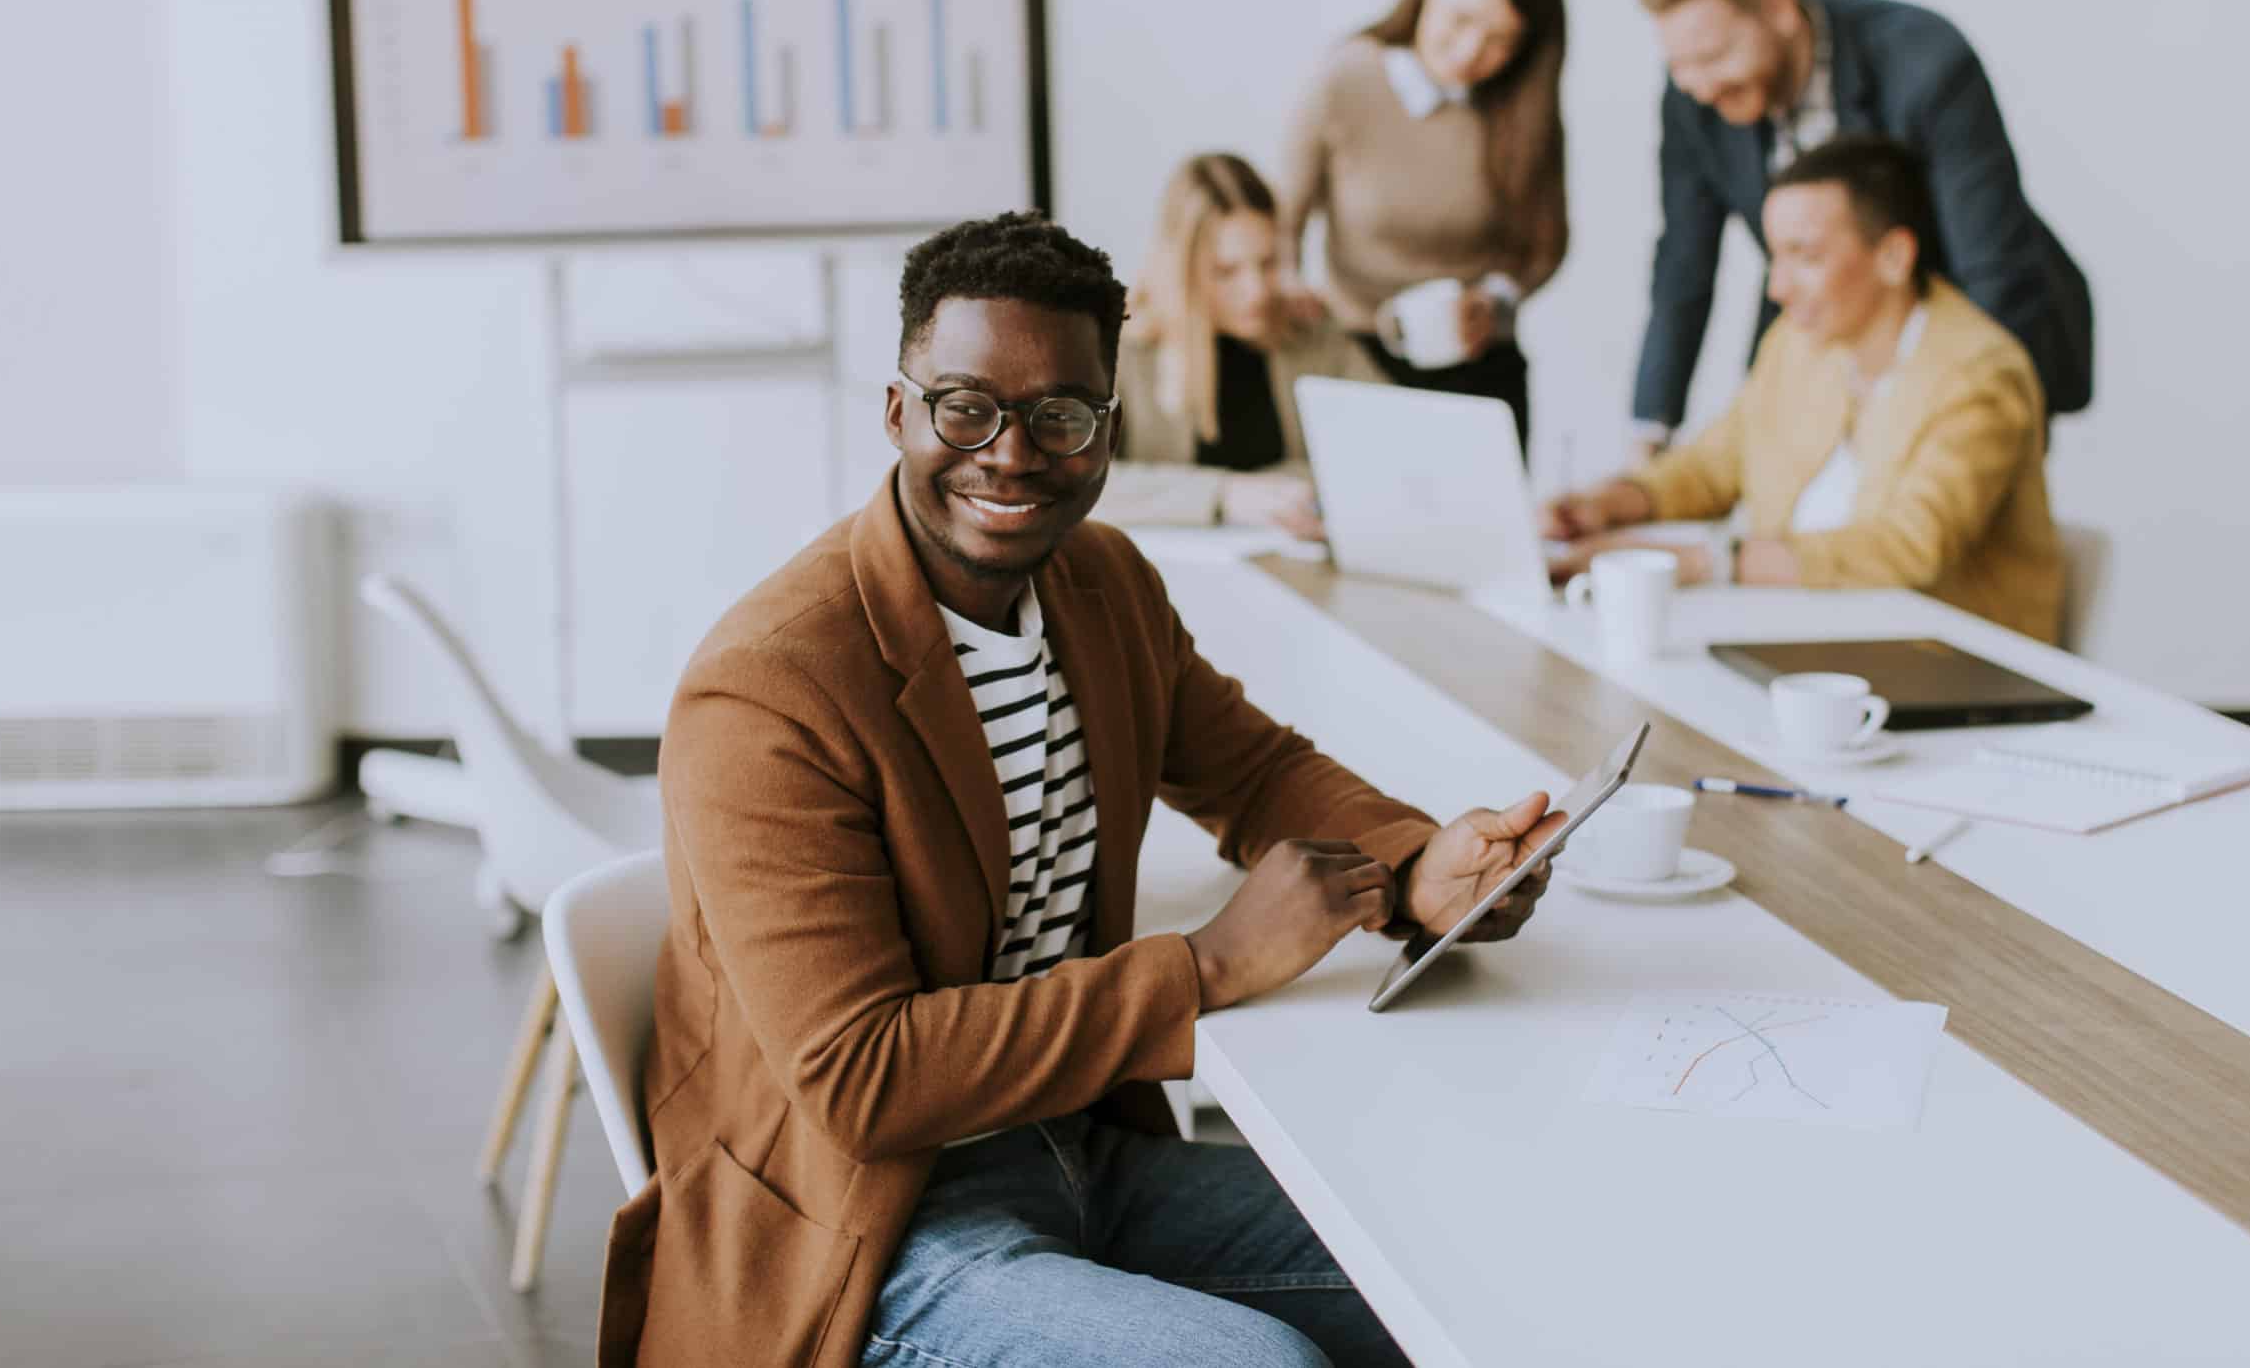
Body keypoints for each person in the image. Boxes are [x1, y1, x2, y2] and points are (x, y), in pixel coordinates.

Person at [600, 211, 1568, 1368]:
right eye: (965, 407)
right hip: (864, 1226)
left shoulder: (1099, 582)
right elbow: (860, 1082)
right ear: (898, 410)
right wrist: (1204, 967)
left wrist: (1415, 868)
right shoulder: (771, 688)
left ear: (1107, 428)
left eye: (1060, 415)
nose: (1010, 454)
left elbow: (1253, 771)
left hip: (1076, 1150)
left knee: (1478, 1276)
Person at [1548, 134, 2064, 642]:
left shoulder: (1979, 371)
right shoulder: (1799, 343)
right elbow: (1714, 465)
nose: (1778, 287)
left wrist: (1705, 562)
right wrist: (1608, 505)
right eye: (1775, 256)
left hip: (1937, 665)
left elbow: (1911, 546)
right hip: (1796, 635)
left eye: (1805, 256)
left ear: (1893, 257)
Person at [1626, 0, 2093, 462]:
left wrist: (1978, 421)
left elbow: (1994, 272)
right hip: (1824, 332)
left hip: (1962, 317)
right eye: (1680, 66)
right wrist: (1651, 432)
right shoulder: (1694, 99)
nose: (1701, 86)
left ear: (1778, 9)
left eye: (1713, 57)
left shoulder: (1927, 63)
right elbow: (1684, 262)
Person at [1276, 0, 1569, 446]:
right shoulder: (1348, 77)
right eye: (1459, 21)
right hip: (1356, 360)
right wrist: (1289, 283)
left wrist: (1494, 298)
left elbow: (1544, 245)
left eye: (1500, 40)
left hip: (1480, 369)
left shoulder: (1521, 107)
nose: (1469, 54)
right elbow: (1283, 220)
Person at [1108, 153, 1385, 536]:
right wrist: (1225, 494)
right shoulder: (1119, 349)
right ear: (1181, 269)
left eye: (1268, 263)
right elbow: (1071, 486)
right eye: (1226, 272)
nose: (1256, 292)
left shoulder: (1313, 334)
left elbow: (1392, 443)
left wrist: (1293, 488)